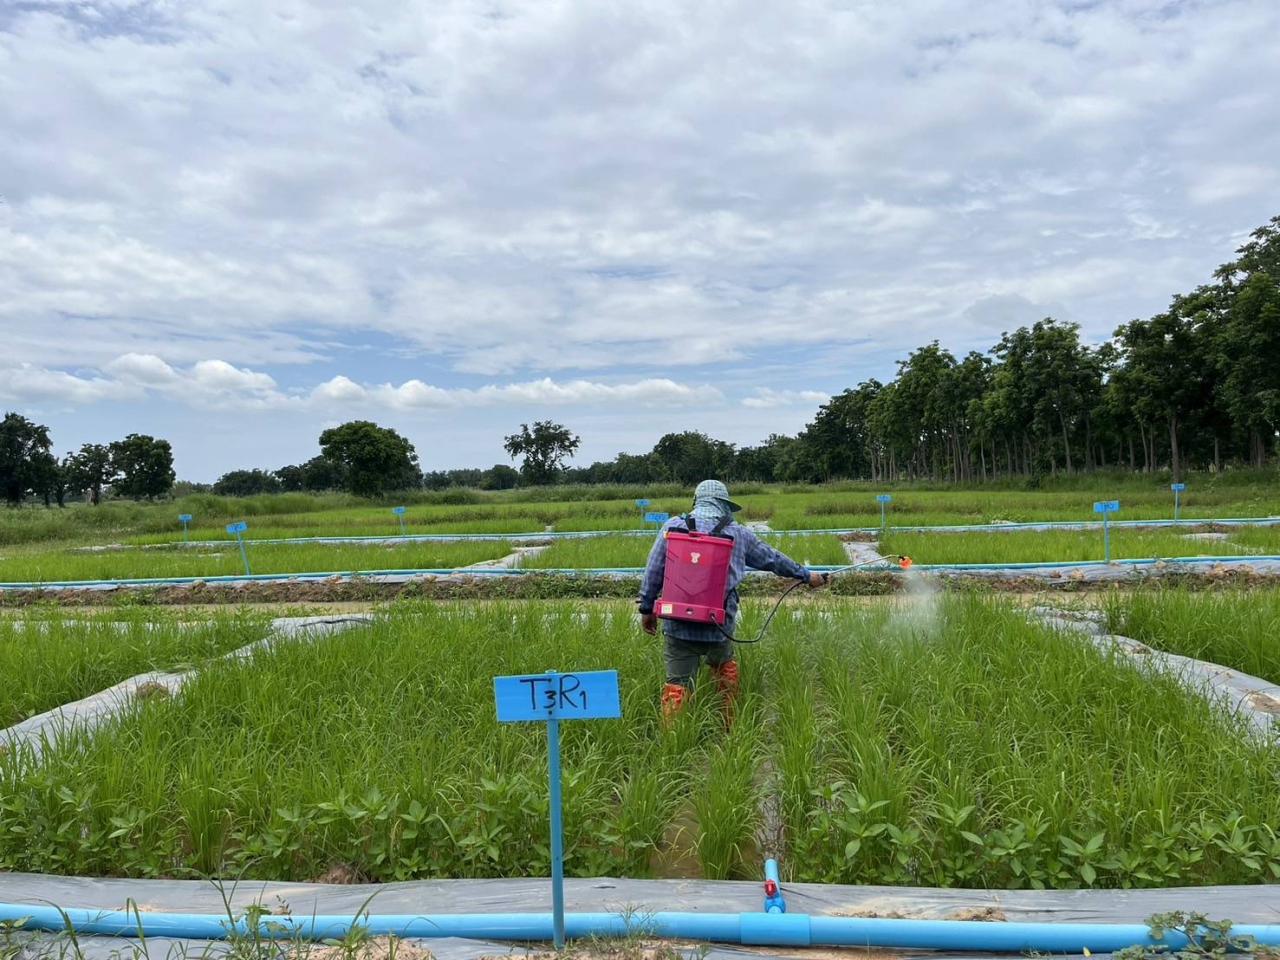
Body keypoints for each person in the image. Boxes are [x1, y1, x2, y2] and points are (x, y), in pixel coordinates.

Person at [637, 479, 824, 721]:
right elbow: (773, 559)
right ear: (723, 505)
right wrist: (807, 575)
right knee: (724, 669)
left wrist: (646, 608)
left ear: (697, 501)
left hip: (677, 622)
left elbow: (653, 571)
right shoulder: (738, 533)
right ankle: (729, 728)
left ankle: (674, 740)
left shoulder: (673, 527)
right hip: (718, 624)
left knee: (678, 684)